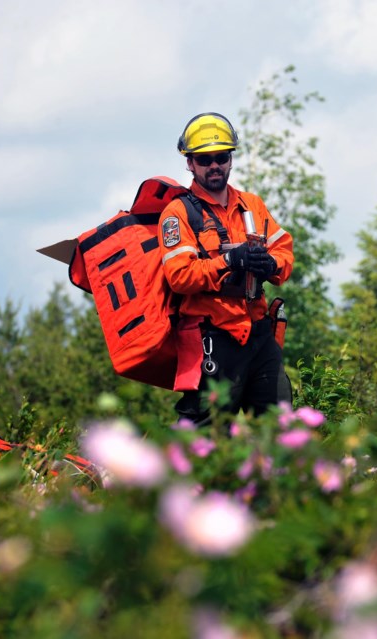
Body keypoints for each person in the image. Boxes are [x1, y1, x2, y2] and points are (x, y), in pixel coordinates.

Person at [159, 112, 294, 423]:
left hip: (260, 334)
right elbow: (179, 276)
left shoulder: (252, 205)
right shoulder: (178, 213)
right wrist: (229, 261)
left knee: (279, 428)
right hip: (214, 338)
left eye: (221, 157)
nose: (214, 165)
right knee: (205, 434)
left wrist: (270, 263)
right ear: (190, 163)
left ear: (231, 158)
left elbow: (284, 252)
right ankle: (171, 472)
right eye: (204, 159)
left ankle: (274, 473)